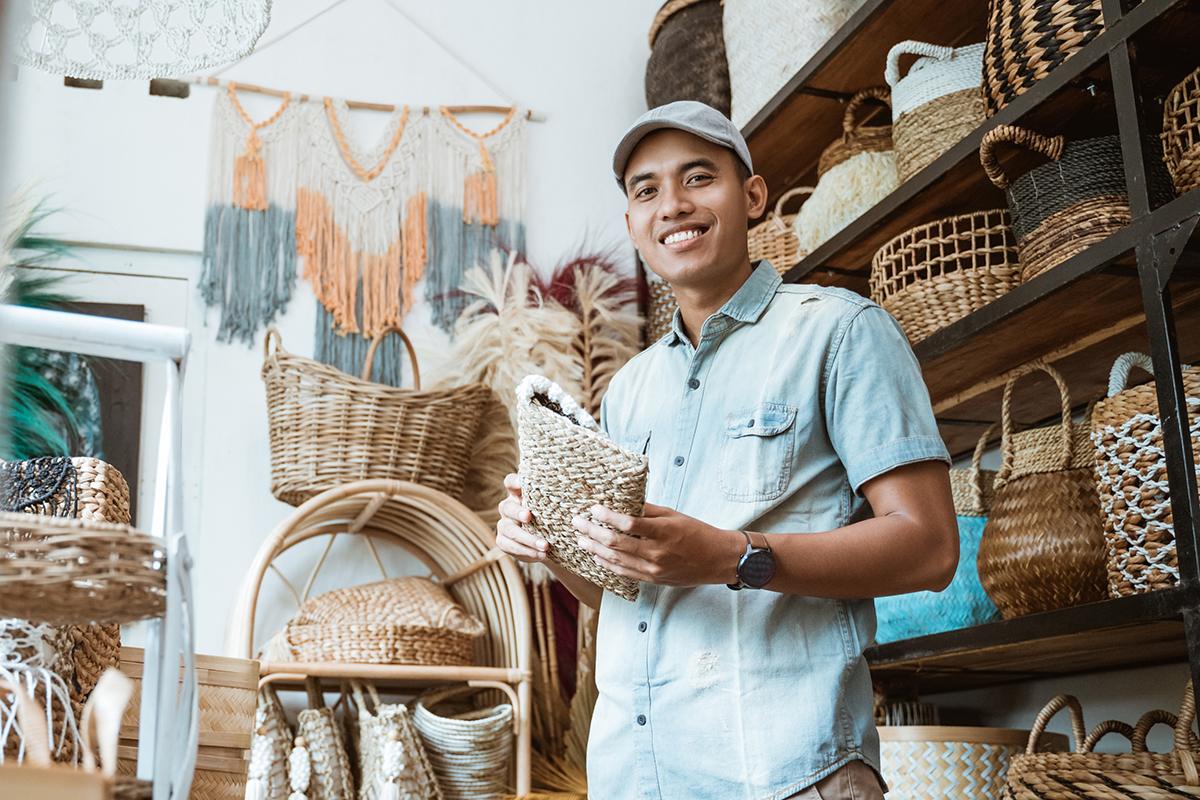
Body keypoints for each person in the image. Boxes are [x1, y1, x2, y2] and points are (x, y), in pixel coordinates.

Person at [496, 100, 958, 800]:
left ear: (751, 196)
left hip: (789, 774)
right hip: (639, 775)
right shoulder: (628, 392)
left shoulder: (838, 331)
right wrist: (553, 547)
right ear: (632, 225)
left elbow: (929, 548)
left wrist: (727, 556)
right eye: (646, 190)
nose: (672, 205)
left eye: (698, 177)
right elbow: (629, 590)